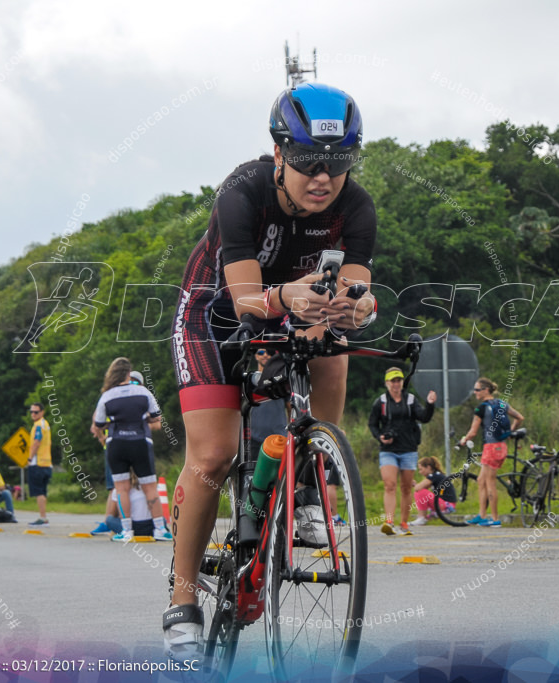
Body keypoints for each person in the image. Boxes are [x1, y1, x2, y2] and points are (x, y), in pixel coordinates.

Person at [164, 83, 376, 656]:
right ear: (279, 154)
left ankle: (312, 472)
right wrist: (290, 298)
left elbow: (356, 288)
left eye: (338, 163)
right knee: (213, 455)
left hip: (291, 304)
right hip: (215, 310)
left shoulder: (355, 206)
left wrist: (357, 305)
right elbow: (243, 301)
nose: (323, 177)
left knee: (333, 341)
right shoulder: (242, 191)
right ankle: (182, 600)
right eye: (308, 161)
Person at [90, 357, 167, 543]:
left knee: (121, 489)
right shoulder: (142, 391)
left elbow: (98, 424)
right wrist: (143, 419)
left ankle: (126, 531)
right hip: (140, 441)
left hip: (116, 443)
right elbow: (157, 416)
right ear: (128, 372)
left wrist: (113, 422)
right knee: (150, 487)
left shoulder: (107, 395)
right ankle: (159, 529)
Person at [369, 368, 436, 535]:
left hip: (409, 449)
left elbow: (424, 417)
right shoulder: (381, 402)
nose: (396, 384)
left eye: (398, 380)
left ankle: (404, 523)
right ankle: (389, 521)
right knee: (389, 485)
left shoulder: (411, 400)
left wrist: (430, 404)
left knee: (406, 488)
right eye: (393, 381)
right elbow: (372, 424)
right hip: (388, 450)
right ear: (387, 383)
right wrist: (380, 437)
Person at [459, 378, 523, 527]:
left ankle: (495, 519)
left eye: (477, 390)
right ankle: (482, 515)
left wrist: (464, 440)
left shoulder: (481, 408)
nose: (474, 392)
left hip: (490, 448)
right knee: (481, 480)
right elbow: (520, 417)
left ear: (486, 390)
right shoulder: (502, 404)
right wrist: (509, 433)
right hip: (501, 446)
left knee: (490, 483)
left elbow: (473, 432)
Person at [26, 402, 52, 527]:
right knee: (43, 491)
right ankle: (43, 515)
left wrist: (30, 458)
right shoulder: (46, 424)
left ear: (42, 412)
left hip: (38, 462)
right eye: (31, 412)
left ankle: (43, 517)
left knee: (39, 491)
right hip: (47, 462)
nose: (33, 414)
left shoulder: (38, 425)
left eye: (36, 412)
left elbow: (37, 441)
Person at [411, 456, 456, 525]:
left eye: (421, 469)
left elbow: (418, 489)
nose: (420, 472)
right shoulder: (436, 475)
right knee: (420, 492)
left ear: (428, 467)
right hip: (446, 504)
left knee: (420, 492)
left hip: (447, 505)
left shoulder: (434, 476)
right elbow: (421, 488)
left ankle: (422, 518)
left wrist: (415, 485)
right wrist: (416, 485)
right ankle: (422, 517)